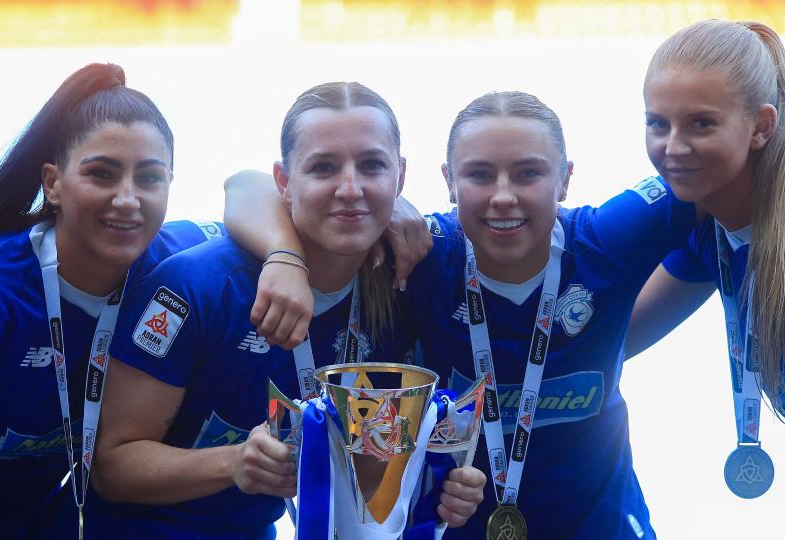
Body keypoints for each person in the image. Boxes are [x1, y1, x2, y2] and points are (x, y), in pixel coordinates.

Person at [225, 90, 699, 538]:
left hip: (603, 528)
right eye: (479, 175)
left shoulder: (607, 240)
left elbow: (711, 174)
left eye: (529, 173)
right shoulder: (423, 256)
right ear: (448, 181)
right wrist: (285, 254)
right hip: (454, 527)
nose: (503, 196)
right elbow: (244, 186)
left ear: (566, 178)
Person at [91, 81, 487, 539]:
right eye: (323, 168)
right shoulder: (197, 287)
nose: (350, 188)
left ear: (399, 177)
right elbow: (111, 465)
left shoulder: (402, 282)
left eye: (372, 166)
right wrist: (235, 461)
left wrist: (437, 484)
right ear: (283, 182)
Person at [0, 63, 222, 539]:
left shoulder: (176, 261)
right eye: (102, 174)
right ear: (53, 183)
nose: (128, 200)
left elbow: (253, 192)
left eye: (149, 177)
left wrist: (285, 258)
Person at [626, 19, 785, 495]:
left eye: (701, 124)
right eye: (657, 123)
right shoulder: (713, 228)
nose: (673, 148)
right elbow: (616, 339)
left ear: (761, 127)